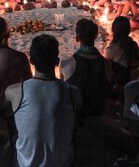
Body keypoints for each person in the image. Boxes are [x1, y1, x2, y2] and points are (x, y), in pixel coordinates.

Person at [5, 34, 82, 167]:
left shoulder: (14, 91)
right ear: (57, 62)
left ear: (31, 61)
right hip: (63, 163)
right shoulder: (73, 92)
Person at [60, 19, 110, 121]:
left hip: (76, 116)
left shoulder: (66, 63)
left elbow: (63, 92)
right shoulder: (105, 63)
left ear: (77, 38)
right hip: (97, 114)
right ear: (96, 36)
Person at [104, 17, 139, 90]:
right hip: (135, 83)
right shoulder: (134, 44)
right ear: (128, 30)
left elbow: (107, 72)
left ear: (113, 29)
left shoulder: (112, 49)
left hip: (121, 86)